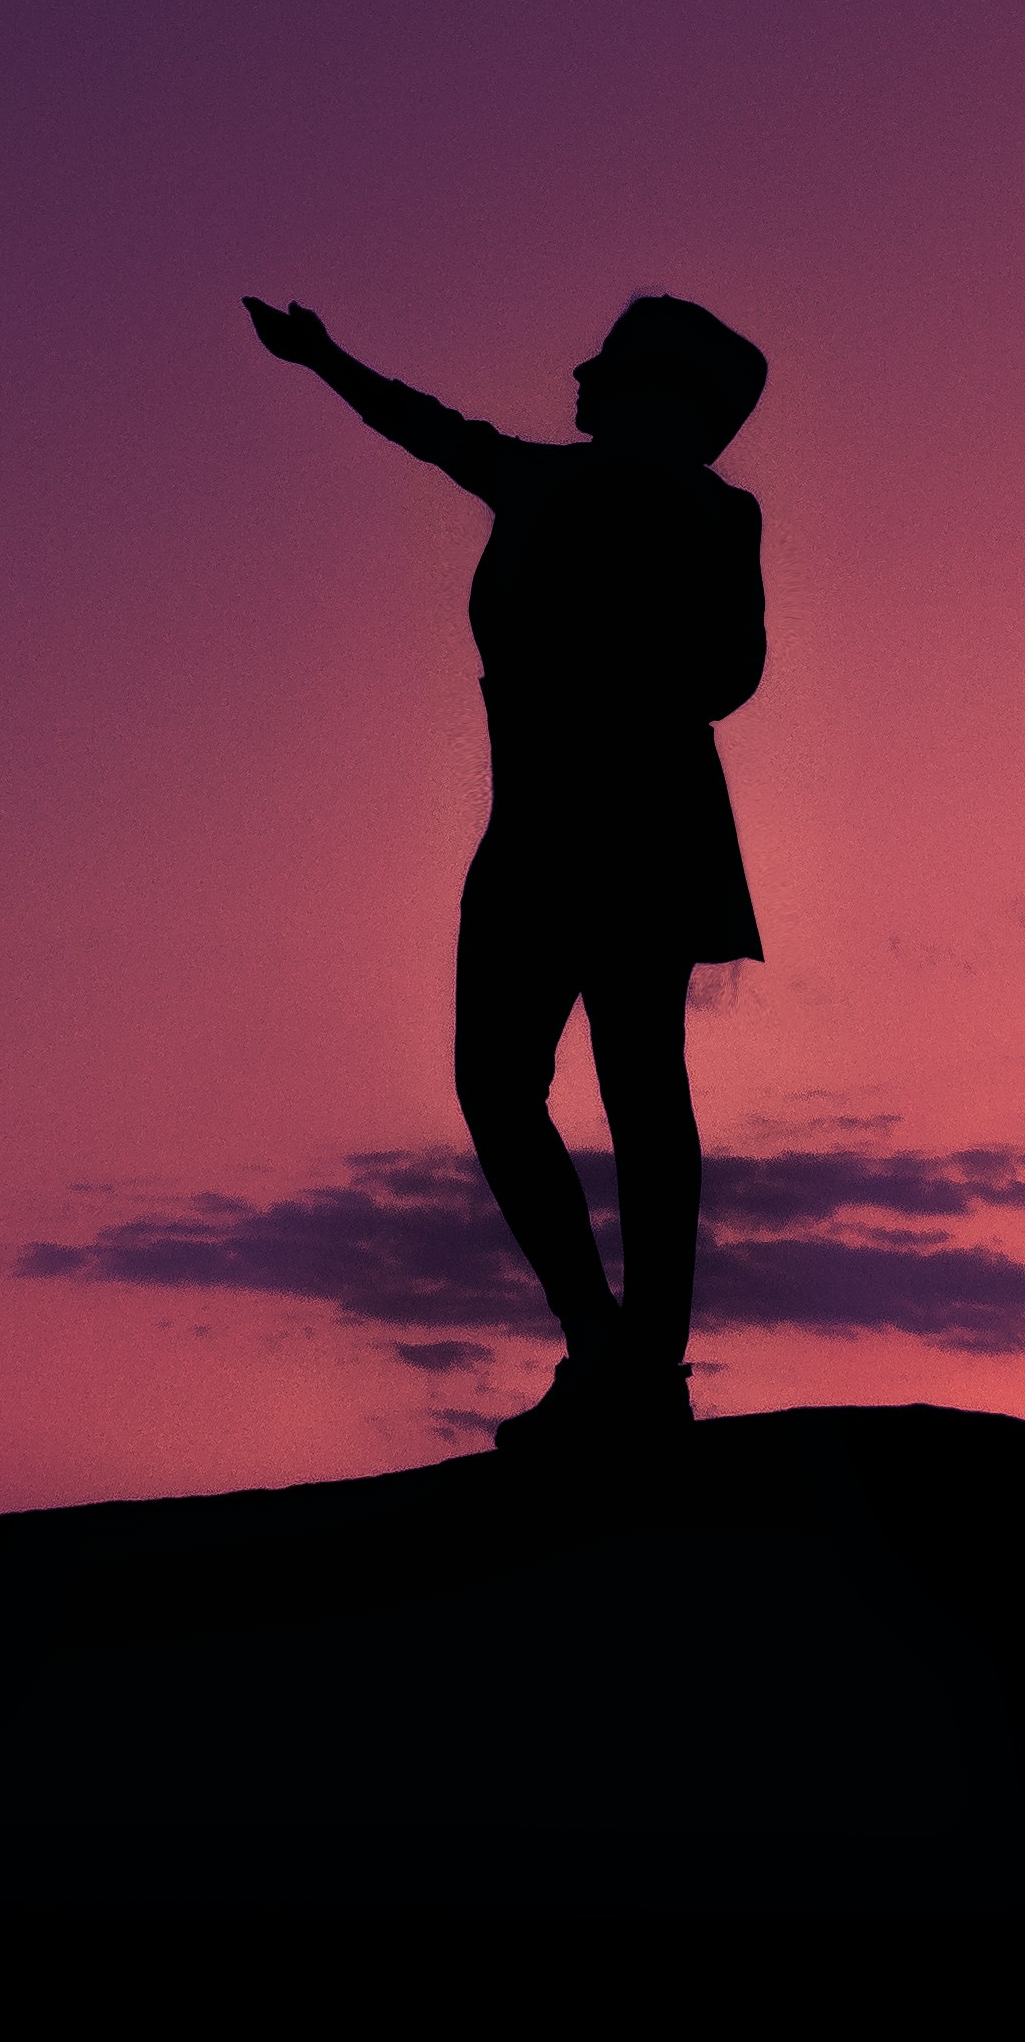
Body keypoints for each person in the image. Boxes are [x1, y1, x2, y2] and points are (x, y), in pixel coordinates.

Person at [245, 288, 768, 1447]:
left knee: (641, 1087)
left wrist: (624, 650)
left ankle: (644, 1366)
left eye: (603, 368)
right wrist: (325, 357)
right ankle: (601, 1342)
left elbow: (734, 672)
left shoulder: (716, 513)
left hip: (641, 830)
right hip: (529, 834)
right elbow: (421, 423)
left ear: (653, 395)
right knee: (496, 1081)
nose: (576, 380)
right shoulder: (536, 479)